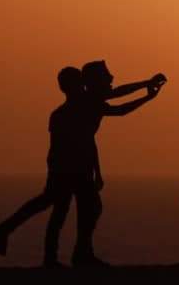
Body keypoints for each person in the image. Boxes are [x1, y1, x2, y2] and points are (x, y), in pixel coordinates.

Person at [70, 61, 166, 267]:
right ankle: (81, 256)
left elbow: (115, 107)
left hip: (80, 161)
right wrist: (146, 89)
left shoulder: (91, 100)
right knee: (88, 208)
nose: (112, 78)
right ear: (95, 81)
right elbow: (119, 105)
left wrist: (146, 90)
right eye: (106, 75)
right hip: (74, 162)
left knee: (90, 208)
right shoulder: (90, 101)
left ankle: (82, 254)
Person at [0, 67, 86, 268]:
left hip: (66, 166)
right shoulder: (62, 114)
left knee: (56, 209)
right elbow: (60, 145)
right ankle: (6, 230)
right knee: (52, 206)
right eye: (79, 82)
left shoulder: (69, 111)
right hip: (63, 167)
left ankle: (48, 256)